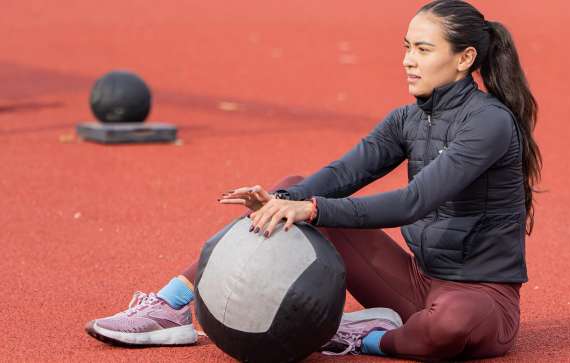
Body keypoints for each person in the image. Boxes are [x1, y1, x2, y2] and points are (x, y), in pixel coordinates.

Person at [85, 0, 542, 360]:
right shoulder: (408, 118)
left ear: (465, 58)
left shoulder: (489, 123)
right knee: (293, 188)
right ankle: (173, 304)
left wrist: (314, 208)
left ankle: (364, 338)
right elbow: (343, 174)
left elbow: (415, 201)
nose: (408, 61)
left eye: (423, 50)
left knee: (447, 328)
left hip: (481, 299)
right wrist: (284, 200)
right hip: (415, 282)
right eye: (406, 47)